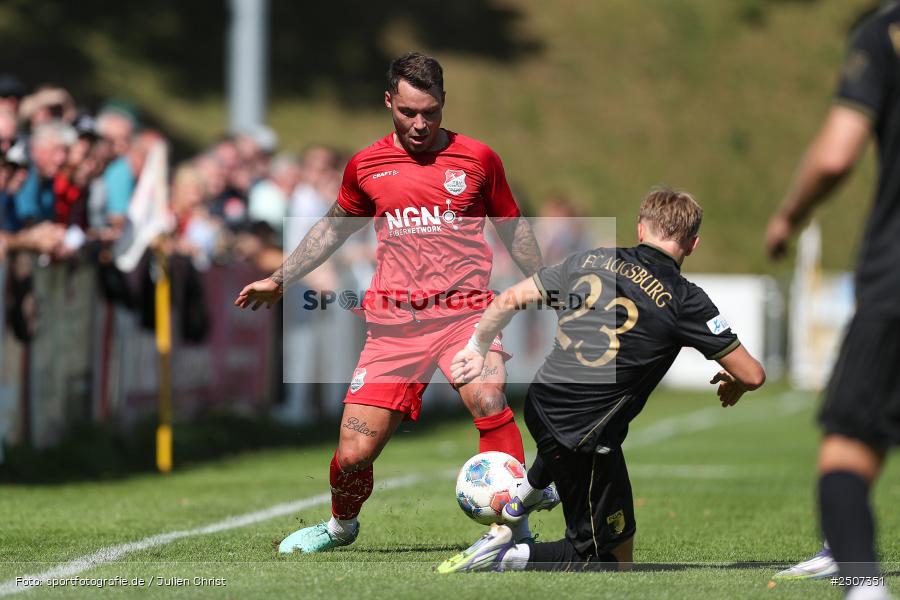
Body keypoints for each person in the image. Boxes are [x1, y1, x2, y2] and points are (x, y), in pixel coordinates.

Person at [235, 51, 552, 553]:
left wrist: (543, 283)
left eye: (431, 111)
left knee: (489, 398)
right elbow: (330, 230)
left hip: (464, 315)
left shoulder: (478, 159)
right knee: (354, 452)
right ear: (389, 102)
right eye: (408, 112)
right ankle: (341, 526)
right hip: (393, 327)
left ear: (445, 102)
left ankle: (512, 531)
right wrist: (280, 277)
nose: (420, 123)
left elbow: (514, 229)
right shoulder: (366, 165)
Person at [437, 188, 766, 573]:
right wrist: (737, 383)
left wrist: (476, 348)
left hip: (542, 404)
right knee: (601, 561)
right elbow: (753, 374)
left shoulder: (592, 259)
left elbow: (509, 297)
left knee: (622, 550)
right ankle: (504, 556)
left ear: (641, 229)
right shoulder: (684, 299)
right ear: (693, 244)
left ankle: (520, 500)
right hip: (584, 436)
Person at [764, 4, 900, 596]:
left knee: (847, 451)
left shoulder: (885, 29)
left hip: (896, 279)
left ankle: (865, 585)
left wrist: (789, 215)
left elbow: (835, 153)